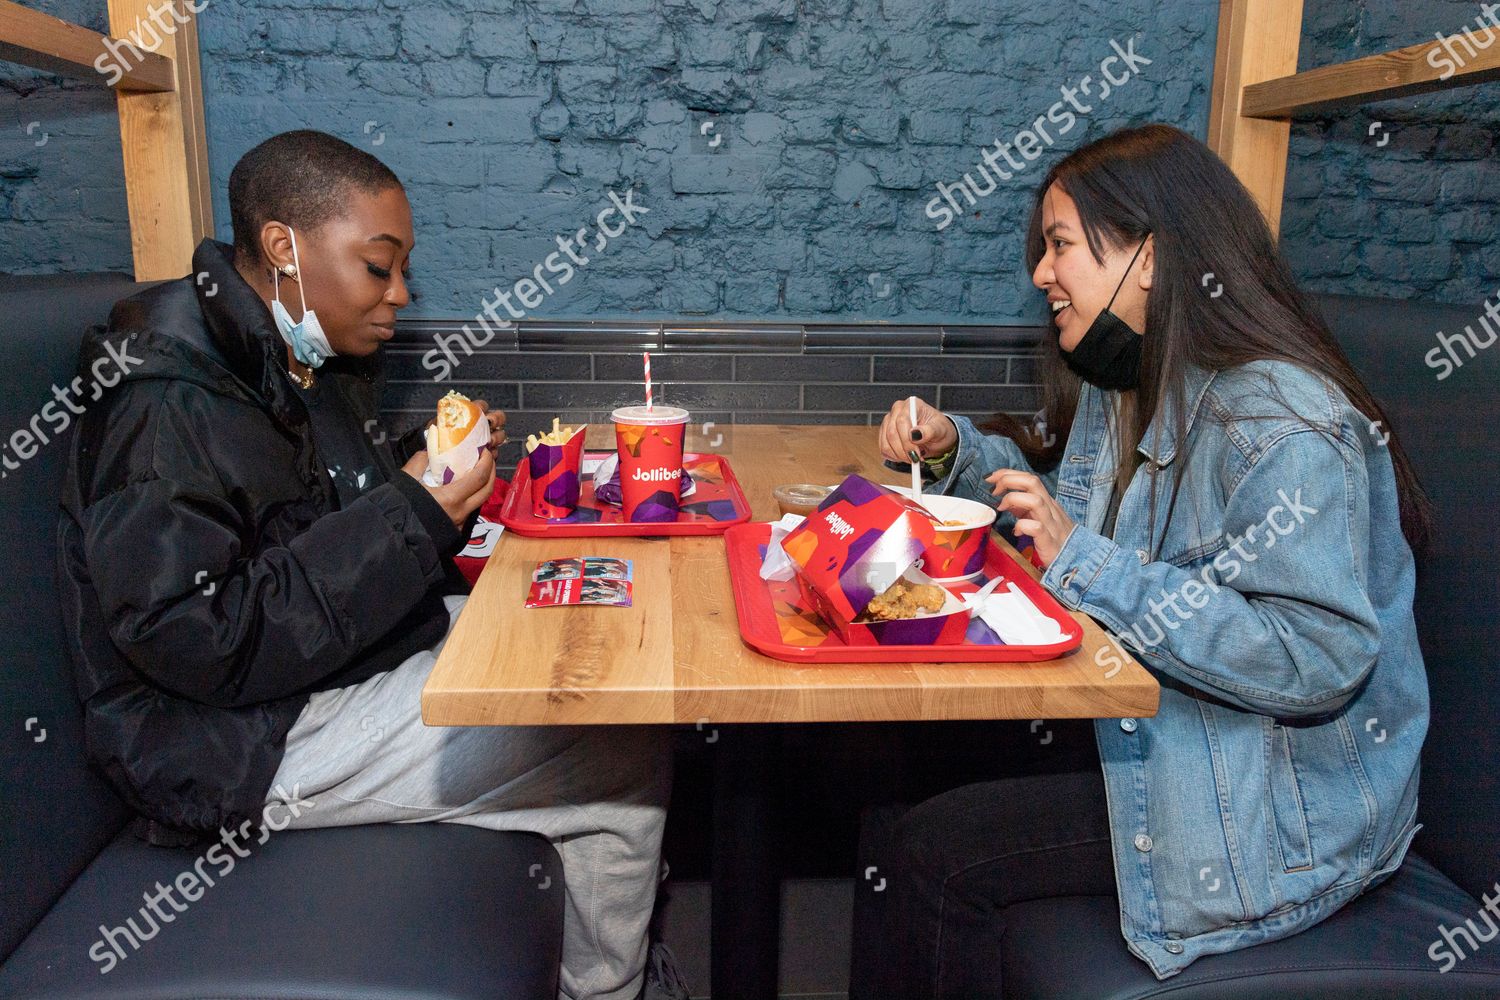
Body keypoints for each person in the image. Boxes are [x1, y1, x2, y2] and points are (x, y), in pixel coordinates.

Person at [57, 130, 673, 1000]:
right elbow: (194, 638)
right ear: (284, 247)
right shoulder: (170, 396)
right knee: (620, 742)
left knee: (581, 632)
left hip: (323, 672)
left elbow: (301, 518)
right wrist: (415, 510)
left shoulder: (291, 350)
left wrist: (423, 471)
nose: (400, 295)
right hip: (234, 743)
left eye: (402, 269)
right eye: (379, 268)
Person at [864, 123, 1431, 998]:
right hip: (1181, 743)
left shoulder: (1280, 422)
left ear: (1153, 259)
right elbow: (1068, 506)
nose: (1040, 274)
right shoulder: (1128, 378)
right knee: (897, 778)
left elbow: (1317, 659)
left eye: (1059, 246)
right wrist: (954, 454)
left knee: (932, 850)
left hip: (1272, 819)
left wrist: (1088, 564)